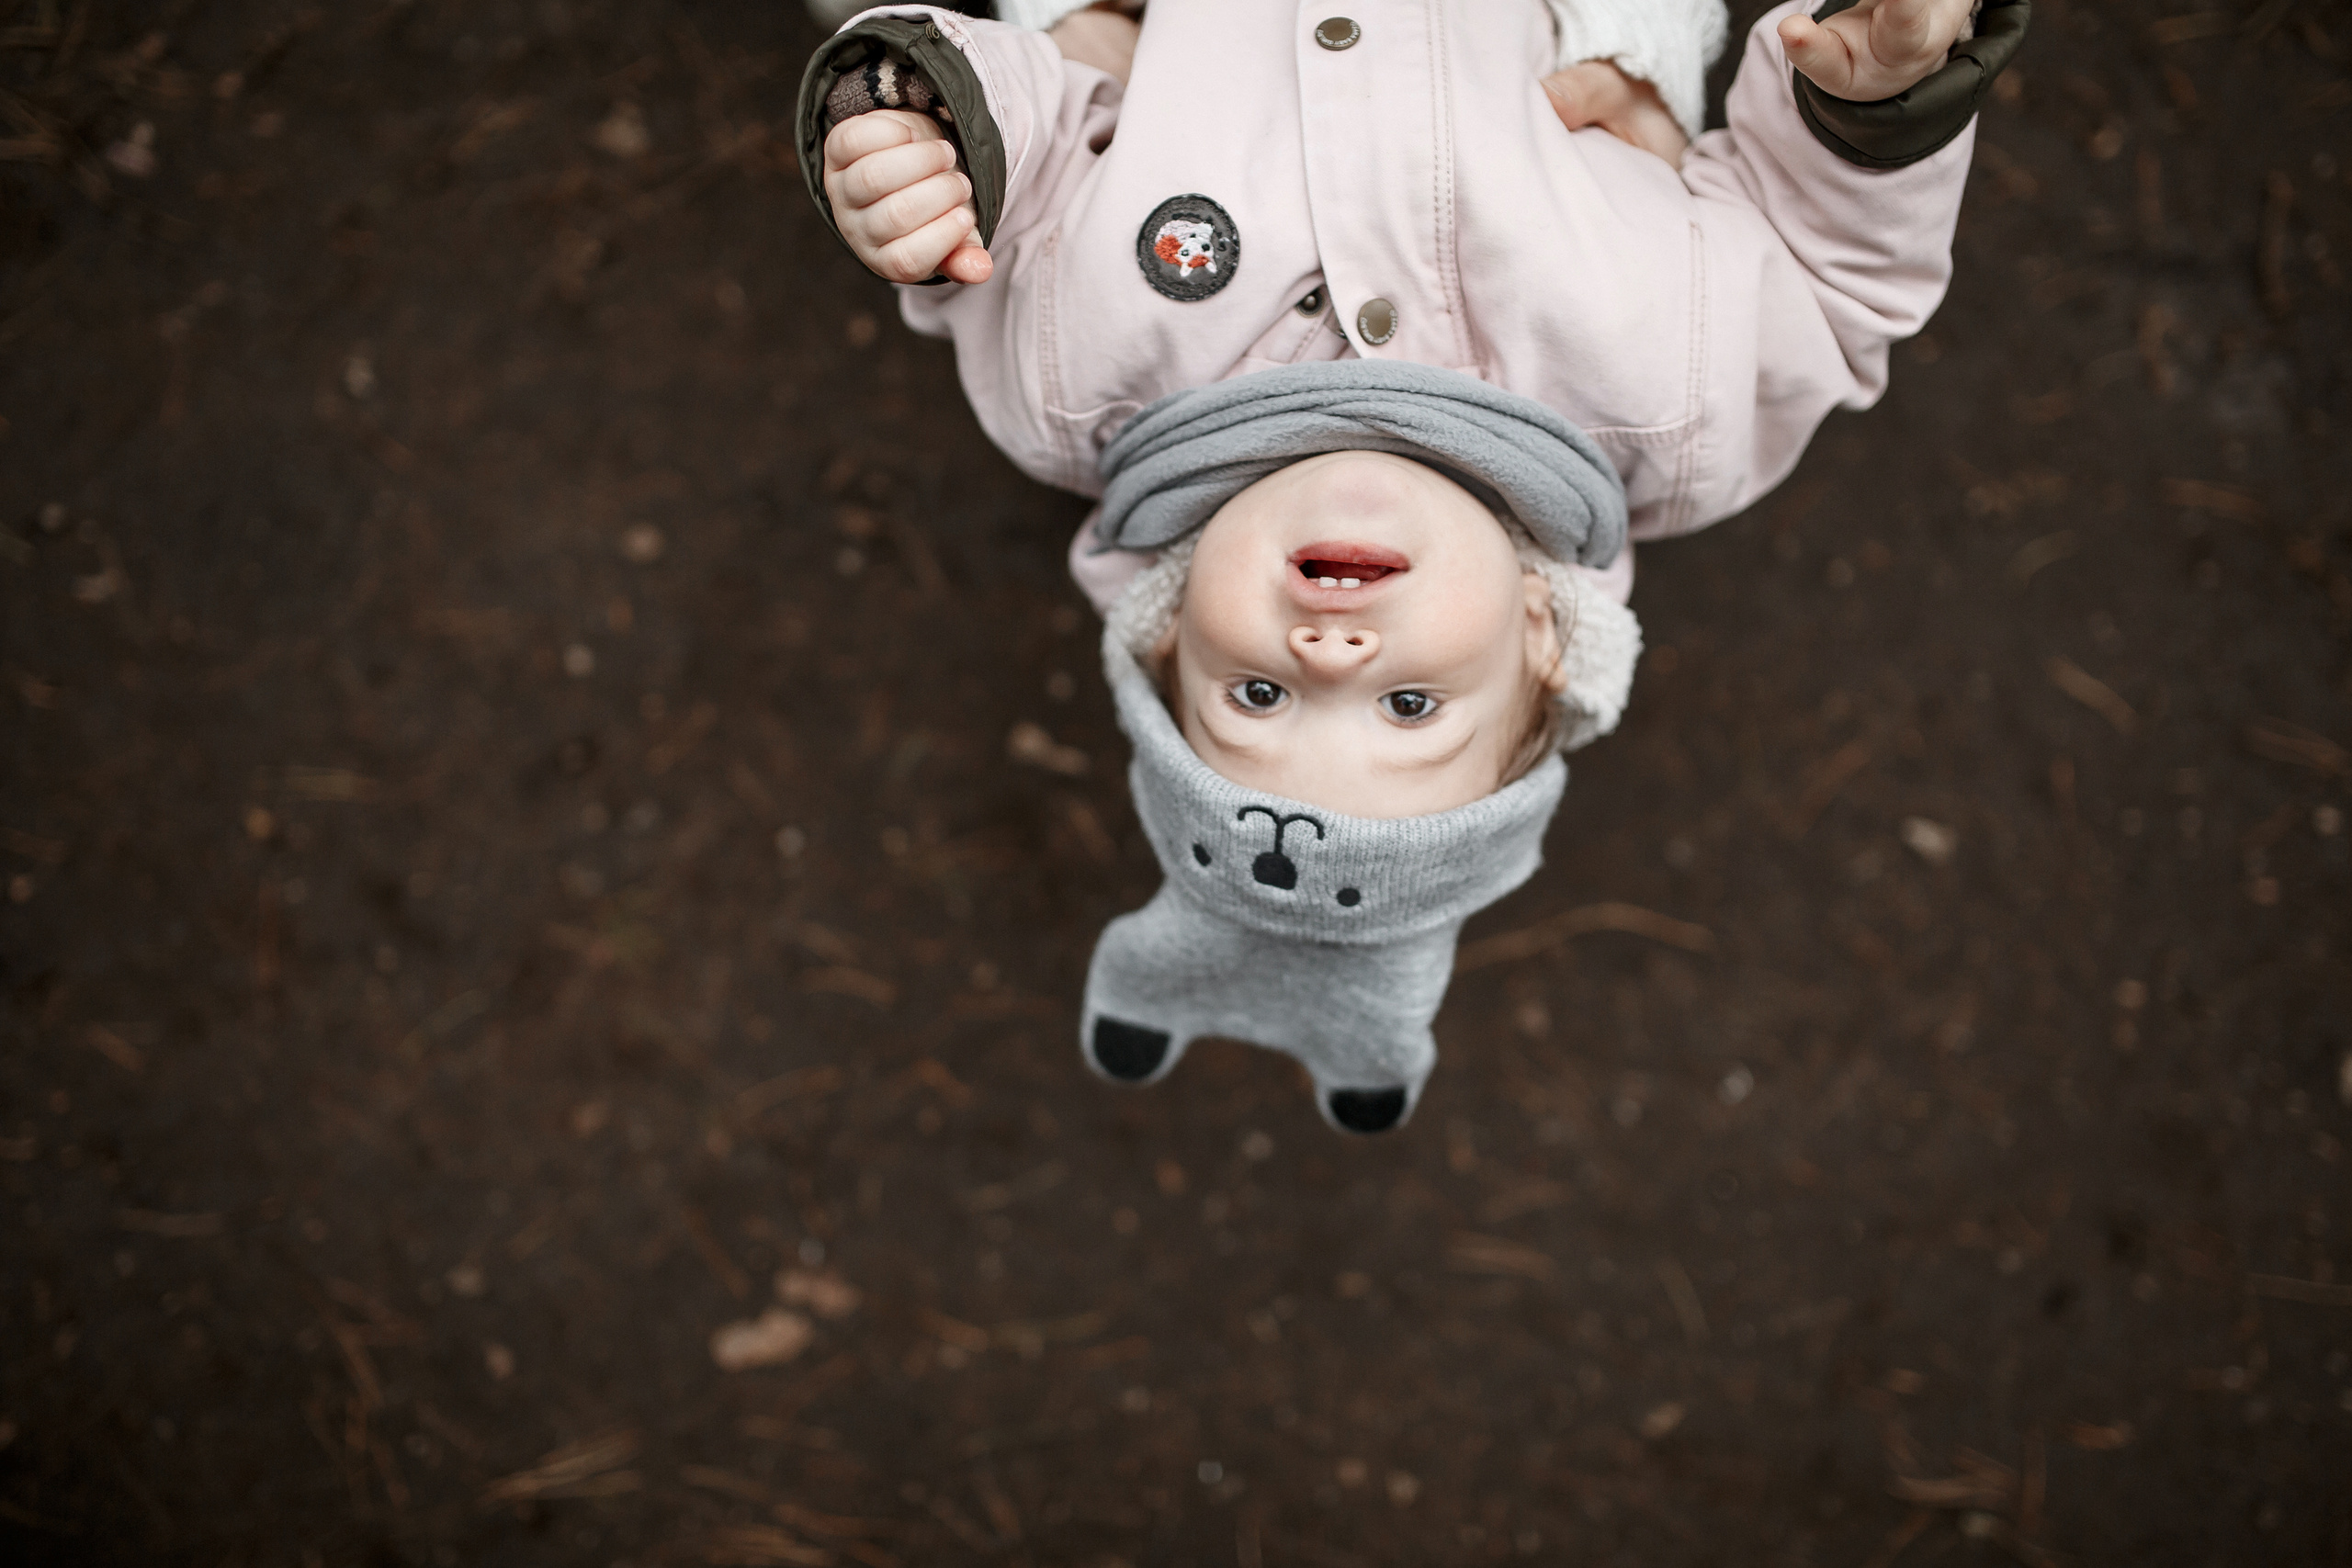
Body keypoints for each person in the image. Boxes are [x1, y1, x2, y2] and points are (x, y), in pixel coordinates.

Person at [794, 0, 2027, 1132]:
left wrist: (912, 129)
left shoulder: (1072, 380)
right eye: (1411, 709)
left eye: (1257, 697)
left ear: (1167, 632)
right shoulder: (1683, 412)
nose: (1331, 655)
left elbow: (1008, 155)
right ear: (1541, 637)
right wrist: (1873, 97)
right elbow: (1838, 270)